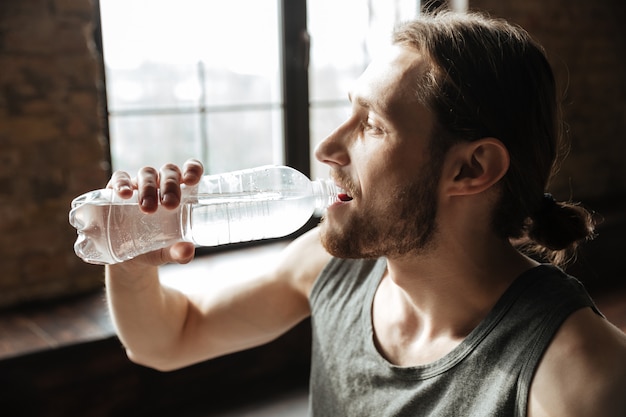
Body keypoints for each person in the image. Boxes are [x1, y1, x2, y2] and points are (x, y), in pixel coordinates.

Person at [104, 11, 626, 417]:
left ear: (471, 168)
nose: (328, 147)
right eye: (348, 111)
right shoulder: (332, 267)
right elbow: (168, 340)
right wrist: (130, 261)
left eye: (372, 125)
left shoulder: (580, 377)